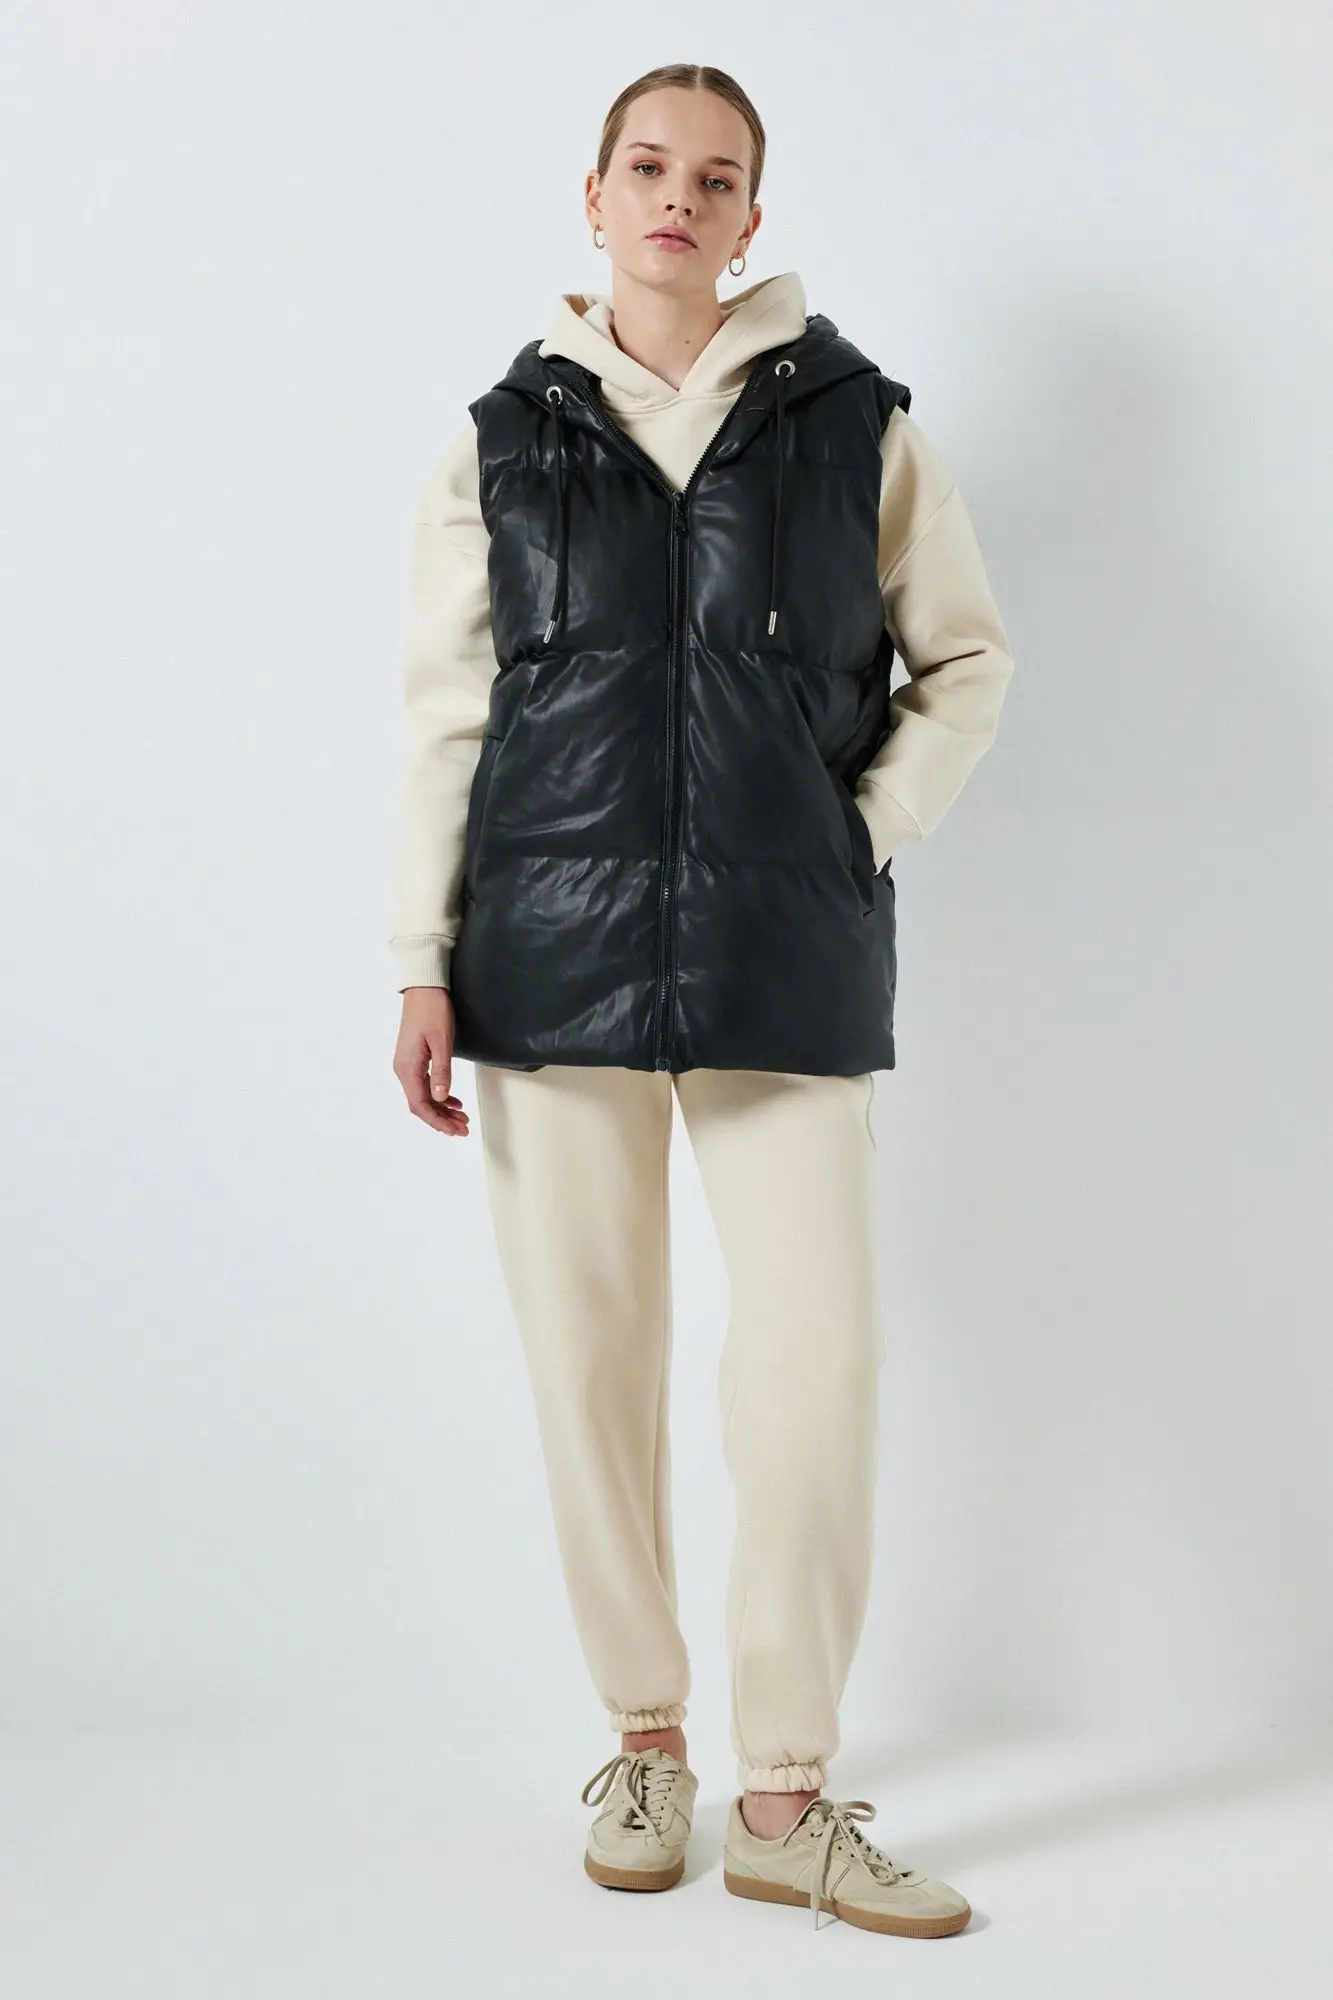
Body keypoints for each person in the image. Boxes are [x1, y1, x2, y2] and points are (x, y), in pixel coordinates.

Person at [389, 62, 1014, 1939]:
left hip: (783, 952)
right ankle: (648, 1742)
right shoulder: (504, 440)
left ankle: (789, 1793)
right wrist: (420, 956)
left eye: (716, 176)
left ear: (752, 215)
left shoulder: (856, 422)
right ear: (594, 197)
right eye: (649, 167)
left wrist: (856, 833)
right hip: (548, 950)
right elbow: (446, 716)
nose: (680, 197)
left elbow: (967, 661)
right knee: (592, 1362)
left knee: (817, 1362)